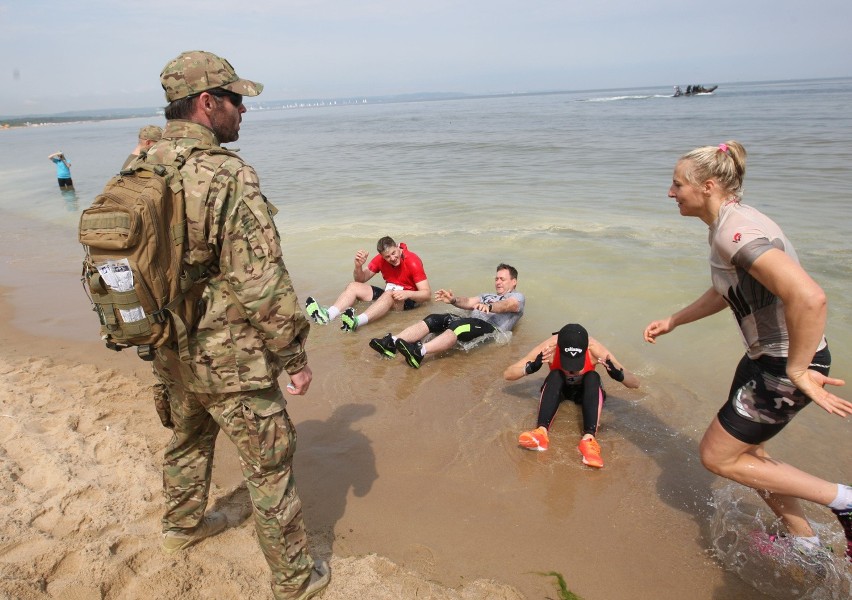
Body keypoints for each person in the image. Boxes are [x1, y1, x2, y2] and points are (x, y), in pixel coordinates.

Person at [144, 50, 329, 599]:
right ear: (207, 104)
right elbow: (261, 280)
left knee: (187, 441)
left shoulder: (141, 164)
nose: (243, 111)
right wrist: (293, 357)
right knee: (271, 467)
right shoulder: (226, 174)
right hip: (230, 359)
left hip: (170, 350)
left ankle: (180, 529)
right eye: (236, 100)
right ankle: (296, 580)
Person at [643, 140, 852, 562]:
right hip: (764, 358)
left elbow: (810, 298)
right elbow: (729, 290)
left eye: (676, 184)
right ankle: (804, 542)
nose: (670, 193)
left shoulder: (736, 232)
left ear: (707, 186)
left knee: (717, 457)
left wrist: (797, 368)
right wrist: (675, 320)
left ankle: (844, 500)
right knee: (748, 452)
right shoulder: (728, 226)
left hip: (781, 363)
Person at [503, 324, 639, 466]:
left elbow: (635, 383)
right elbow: (508, 374)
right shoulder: (550, 348)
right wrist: (529, 368)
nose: (571, 370)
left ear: (586, 349)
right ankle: (541, 432)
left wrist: (619, 376)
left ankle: (589, 440)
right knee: (556, 374)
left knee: (593, 376)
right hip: (560, 390)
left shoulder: (595, 349)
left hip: (586, 392)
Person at [369, 263, 523, 368]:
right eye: (496, 278)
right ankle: (392, 342)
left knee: (459, 326)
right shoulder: (487, 295)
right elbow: (469, 301)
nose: (498, 282)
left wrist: (489, 307)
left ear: (513, 281)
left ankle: (418, 352)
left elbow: (508, 305)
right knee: (435, 319)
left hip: (491, 328)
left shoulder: (518, 297)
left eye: (502, 279)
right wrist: (453, 300)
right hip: (472, 321)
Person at [305, 236, 430, 332]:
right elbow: (360, 279)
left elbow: (426, 294)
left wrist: (407, 293)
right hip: (390, 293)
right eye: (387, 257)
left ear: (397, 247)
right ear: (382, 256)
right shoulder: (380, 260)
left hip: (409, 300)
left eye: (394, 253)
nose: (392, 258)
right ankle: (328, 315)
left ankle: (357, 322)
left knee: (388, 294)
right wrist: (358, 266)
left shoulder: (412, 261)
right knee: (353, 286)